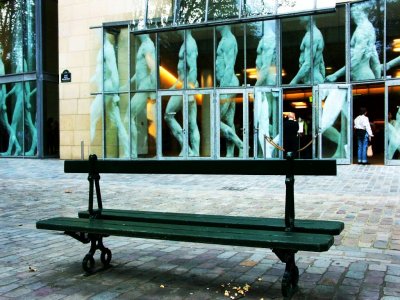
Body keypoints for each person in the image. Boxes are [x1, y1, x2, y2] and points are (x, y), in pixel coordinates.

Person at [90, 33, 129, 158]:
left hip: (107, 88)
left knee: (92, 115)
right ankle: (128, 152)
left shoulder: (108, 49)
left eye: (97, 35)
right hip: (104, 88)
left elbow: (114, 71)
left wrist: (115, 93)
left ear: (103, 36)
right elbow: (99, 70)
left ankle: (88, 151)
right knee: (117, 121)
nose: (95, 38)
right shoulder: (103, 49)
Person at [164, 30, 200, 156]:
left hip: (186, 87)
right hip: (184, 85)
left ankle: (187, 148)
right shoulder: (186, 43)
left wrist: (189, 91)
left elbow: (193, 69)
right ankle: (195, 153)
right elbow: (181, 74)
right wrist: (172, 87)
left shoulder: (189, 44)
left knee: (168, 116)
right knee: (192, 123)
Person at [326, 3, 380, 82]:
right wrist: (378, 80)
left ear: (361, 13)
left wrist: (335, 75)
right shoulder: (369, 28)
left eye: (353, 12)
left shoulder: (362, 31)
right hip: (364, 76)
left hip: (361, 76)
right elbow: (375, 60)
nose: (352, 16)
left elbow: (356, 59)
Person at [216, 25, 243, 157]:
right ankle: (230, 153)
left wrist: (223, 88)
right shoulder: (225, 39)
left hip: (228, 83)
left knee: (215, 119)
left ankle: (241, 144)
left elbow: (229, 66)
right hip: (228, 83)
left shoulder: (229, 40)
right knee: (228, 121)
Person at [128, 34, 156, 158]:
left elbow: (153, 67)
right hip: (142, 87)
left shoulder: (147, 46)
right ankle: (134, 151)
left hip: (145, 87)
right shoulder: (143, 46)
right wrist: (127, 85)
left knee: (128, 116)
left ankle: (133, 153)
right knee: (132, 117)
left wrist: (153, 90)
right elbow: (140, 70)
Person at [1, 59, 37, 156]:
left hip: (22, 99)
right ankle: (33, 149)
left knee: (14, 124)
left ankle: (11, 150)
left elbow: (26, 84)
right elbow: (17, 86)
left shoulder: (22, 64)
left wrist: (28, 101)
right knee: (29, 124)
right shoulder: (19, 65)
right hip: (21, 98)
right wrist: (8, 94)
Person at [254, 21, 279, 158]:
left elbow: (266, 64)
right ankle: (266, 149)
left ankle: (269, 148)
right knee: (263, 118)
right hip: (264, 82)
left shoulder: (269, 38)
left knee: (265, 117)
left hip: (267, 81)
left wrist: (257, 86)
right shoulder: (265, 38)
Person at [290, 16, 325, 85]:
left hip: (314, 80)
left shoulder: (314, 36)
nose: (300, 16)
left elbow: (308, 63)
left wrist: (293, 82)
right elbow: (321, 61)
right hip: (311, 79)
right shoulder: (309, 33)